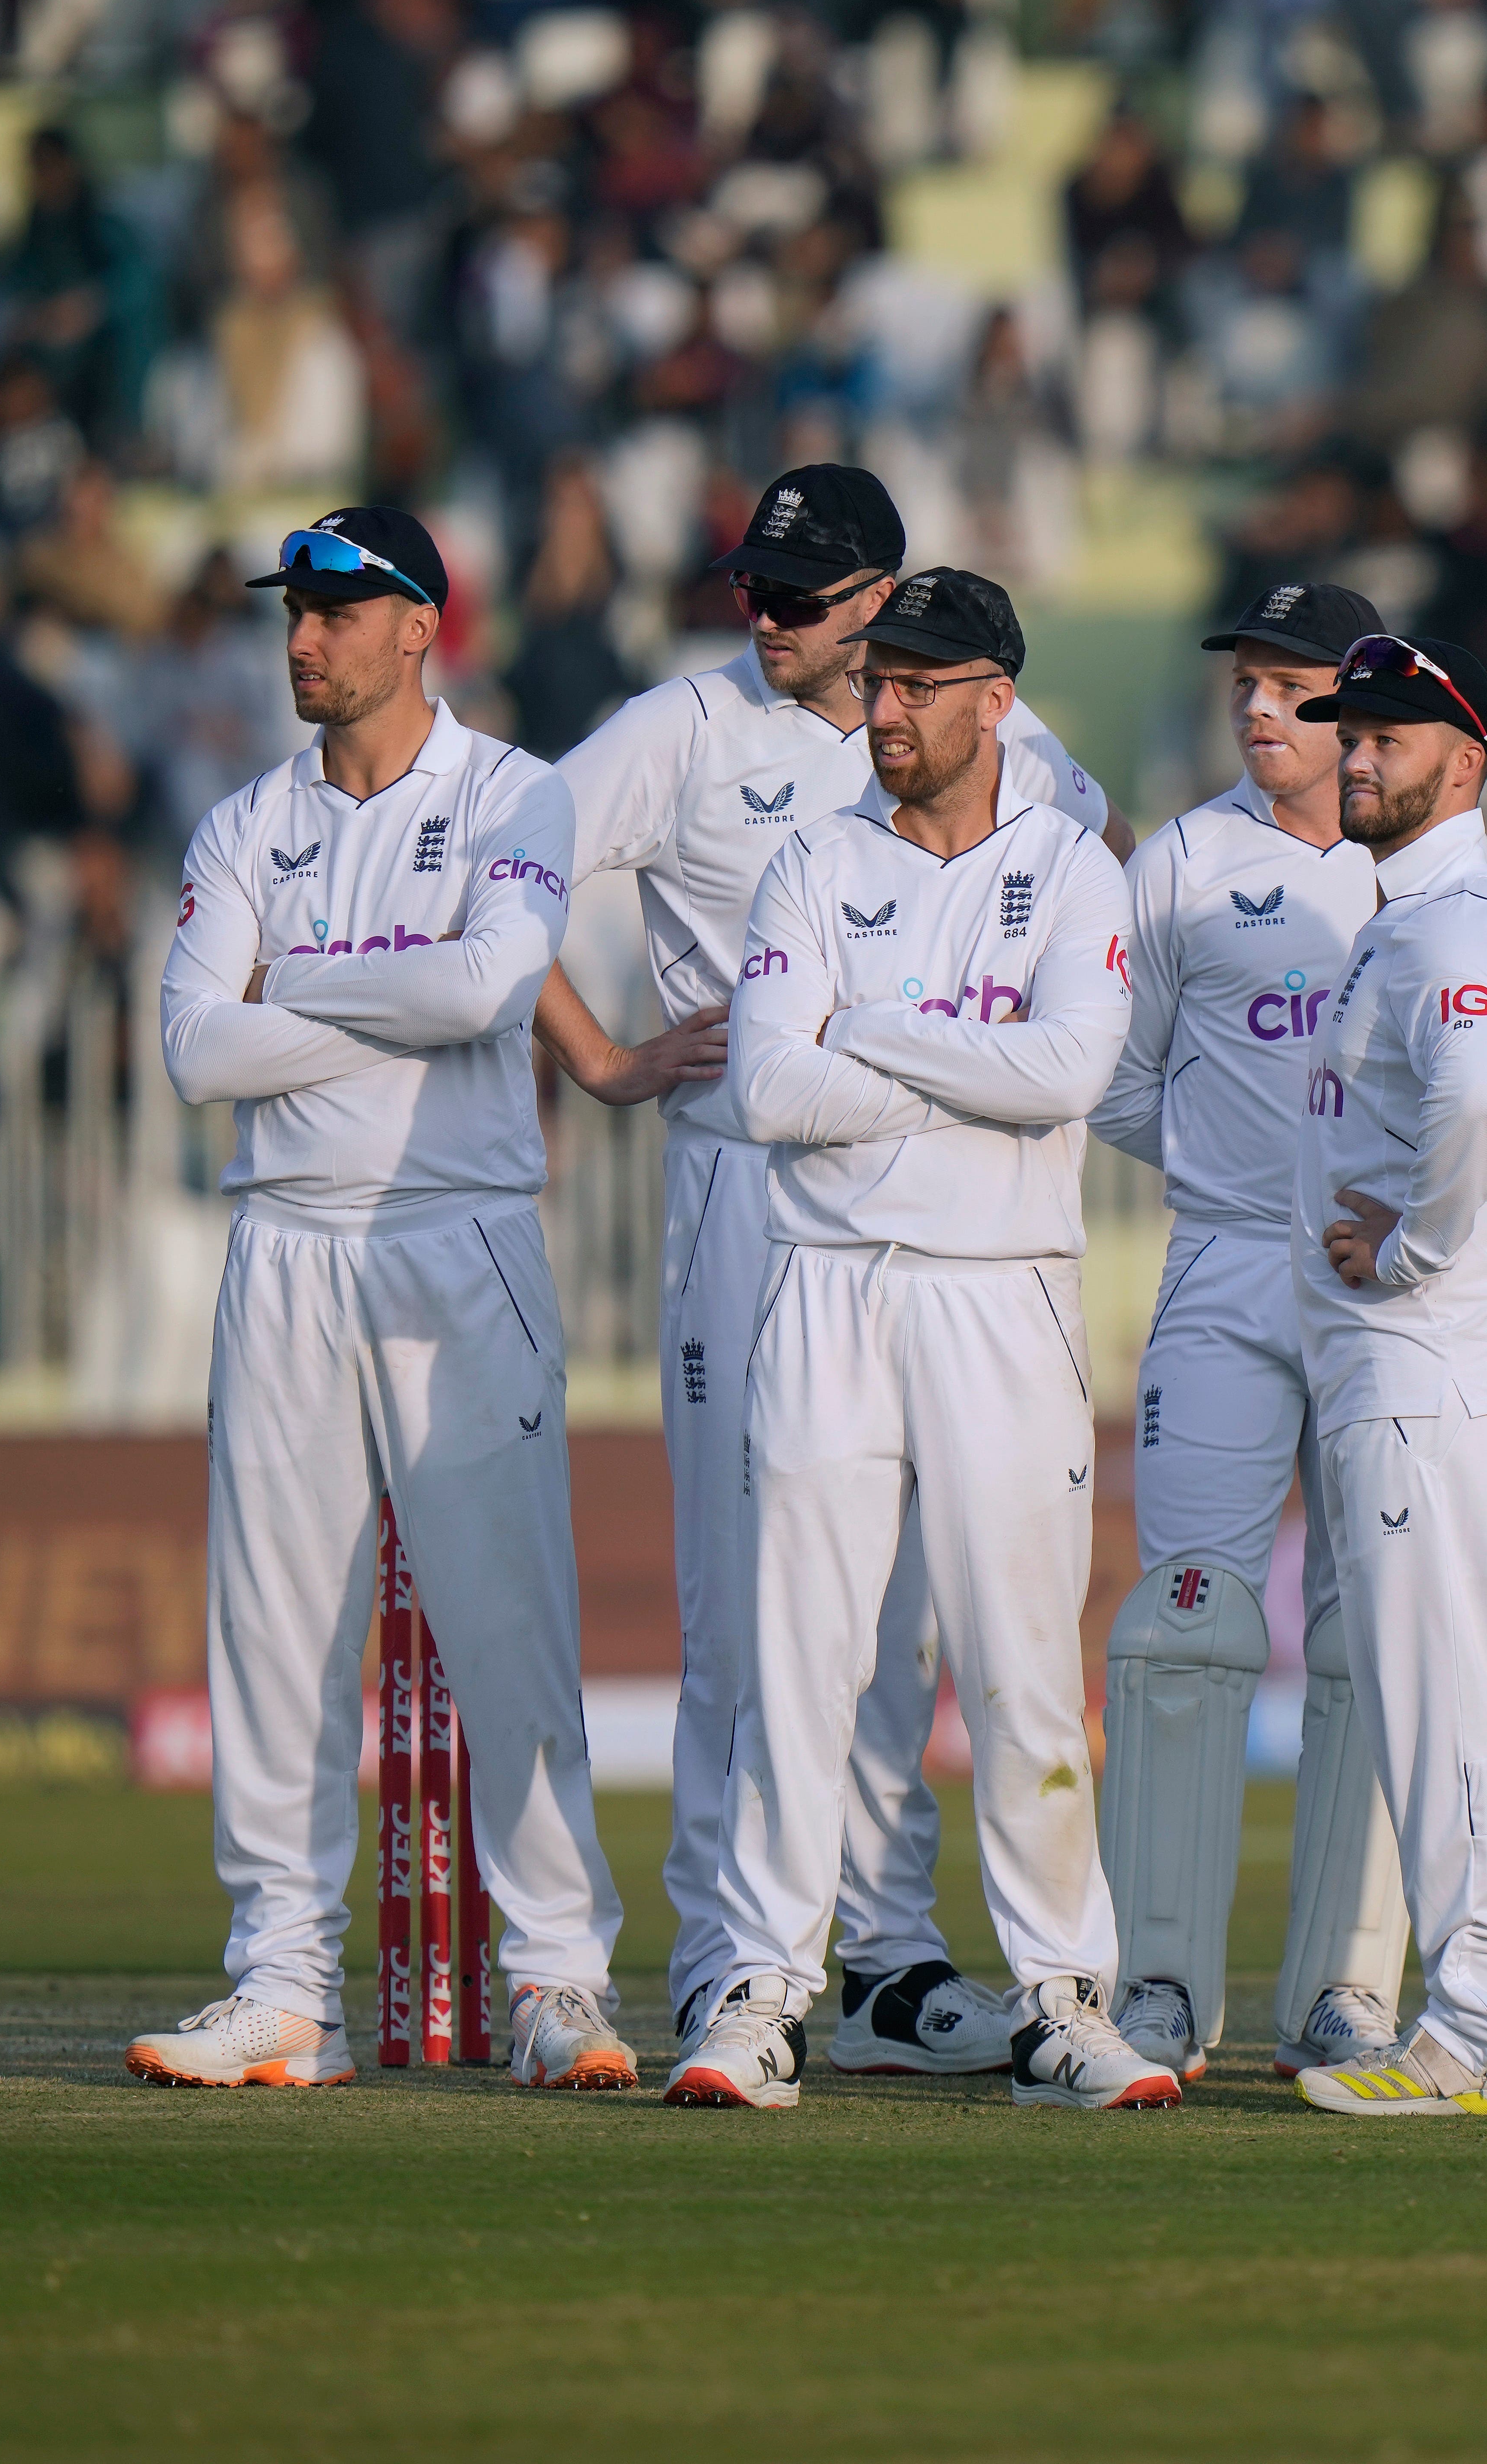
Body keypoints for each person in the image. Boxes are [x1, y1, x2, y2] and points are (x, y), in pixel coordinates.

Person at [542, 472, 1122, 2087]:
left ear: (883, 601)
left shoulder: (1004, 743)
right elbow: (507, 872)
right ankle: (734, 1964)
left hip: (954, 1206)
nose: (767, 619)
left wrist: (933, 1057)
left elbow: (1097, 911)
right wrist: (604, 1058)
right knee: (759, 1602)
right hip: (757, 1191)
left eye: (800, 596)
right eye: (755, 589)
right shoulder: (684, 730)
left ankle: (887, 1959)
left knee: (913, 1617)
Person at [133, 507, 633, 2095]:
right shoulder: (243, 824)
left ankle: (556, 1980)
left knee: (509, 1626)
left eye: (338, 611)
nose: (305, 638)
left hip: (457, 1237)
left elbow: (491, 988)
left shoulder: (514, 793)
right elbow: (196, 1050)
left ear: (421, 626)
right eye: (295, 611)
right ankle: (285, 1986)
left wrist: (293, 985)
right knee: (277, 1637)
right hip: (284, 1240)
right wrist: (397, 991)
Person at [668, 568, 1174, 2114]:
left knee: (1024, 1667)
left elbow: (1069, 1072)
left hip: (999, 1293)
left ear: (995, 700)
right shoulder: (814, 861)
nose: (882, 709)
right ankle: (764, 1989)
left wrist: (869, 1031)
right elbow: (767, 1089)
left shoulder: (1070, 866)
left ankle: (1063, 1999)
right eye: (876, 681)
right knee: (800, 1660)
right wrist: (969, 1060)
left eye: (915, 686)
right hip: (824, 1290)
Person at [1087, 577, 1411, 2083]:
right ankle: (1158, 1986)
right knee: (1187, 1621)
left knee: (1373, 1625)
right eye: (1247, 686)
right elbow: (1116, 1077)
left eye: (1296, 688)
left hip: (1383, 1284)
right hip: (1223, 1268)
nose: (1261, 709)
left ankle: (1348, 1989)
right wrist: (1241, 1177)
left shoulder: (1423, 868)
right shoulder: (1180, 862)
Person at [1285, 633, 1487, 2119]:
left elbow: (1475, 1101)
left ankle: (1474, 2030)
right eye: (1350, 735)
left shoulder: (1454, 923)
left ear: (1466, 763)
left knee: (1446, 1708)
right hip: (1432, 1357)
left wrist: (1412, 1250)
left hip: (1434, 1354)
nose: (1357, 757)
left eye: (1391, 739)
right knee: (1446, 1695)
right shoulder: (1409, 916)